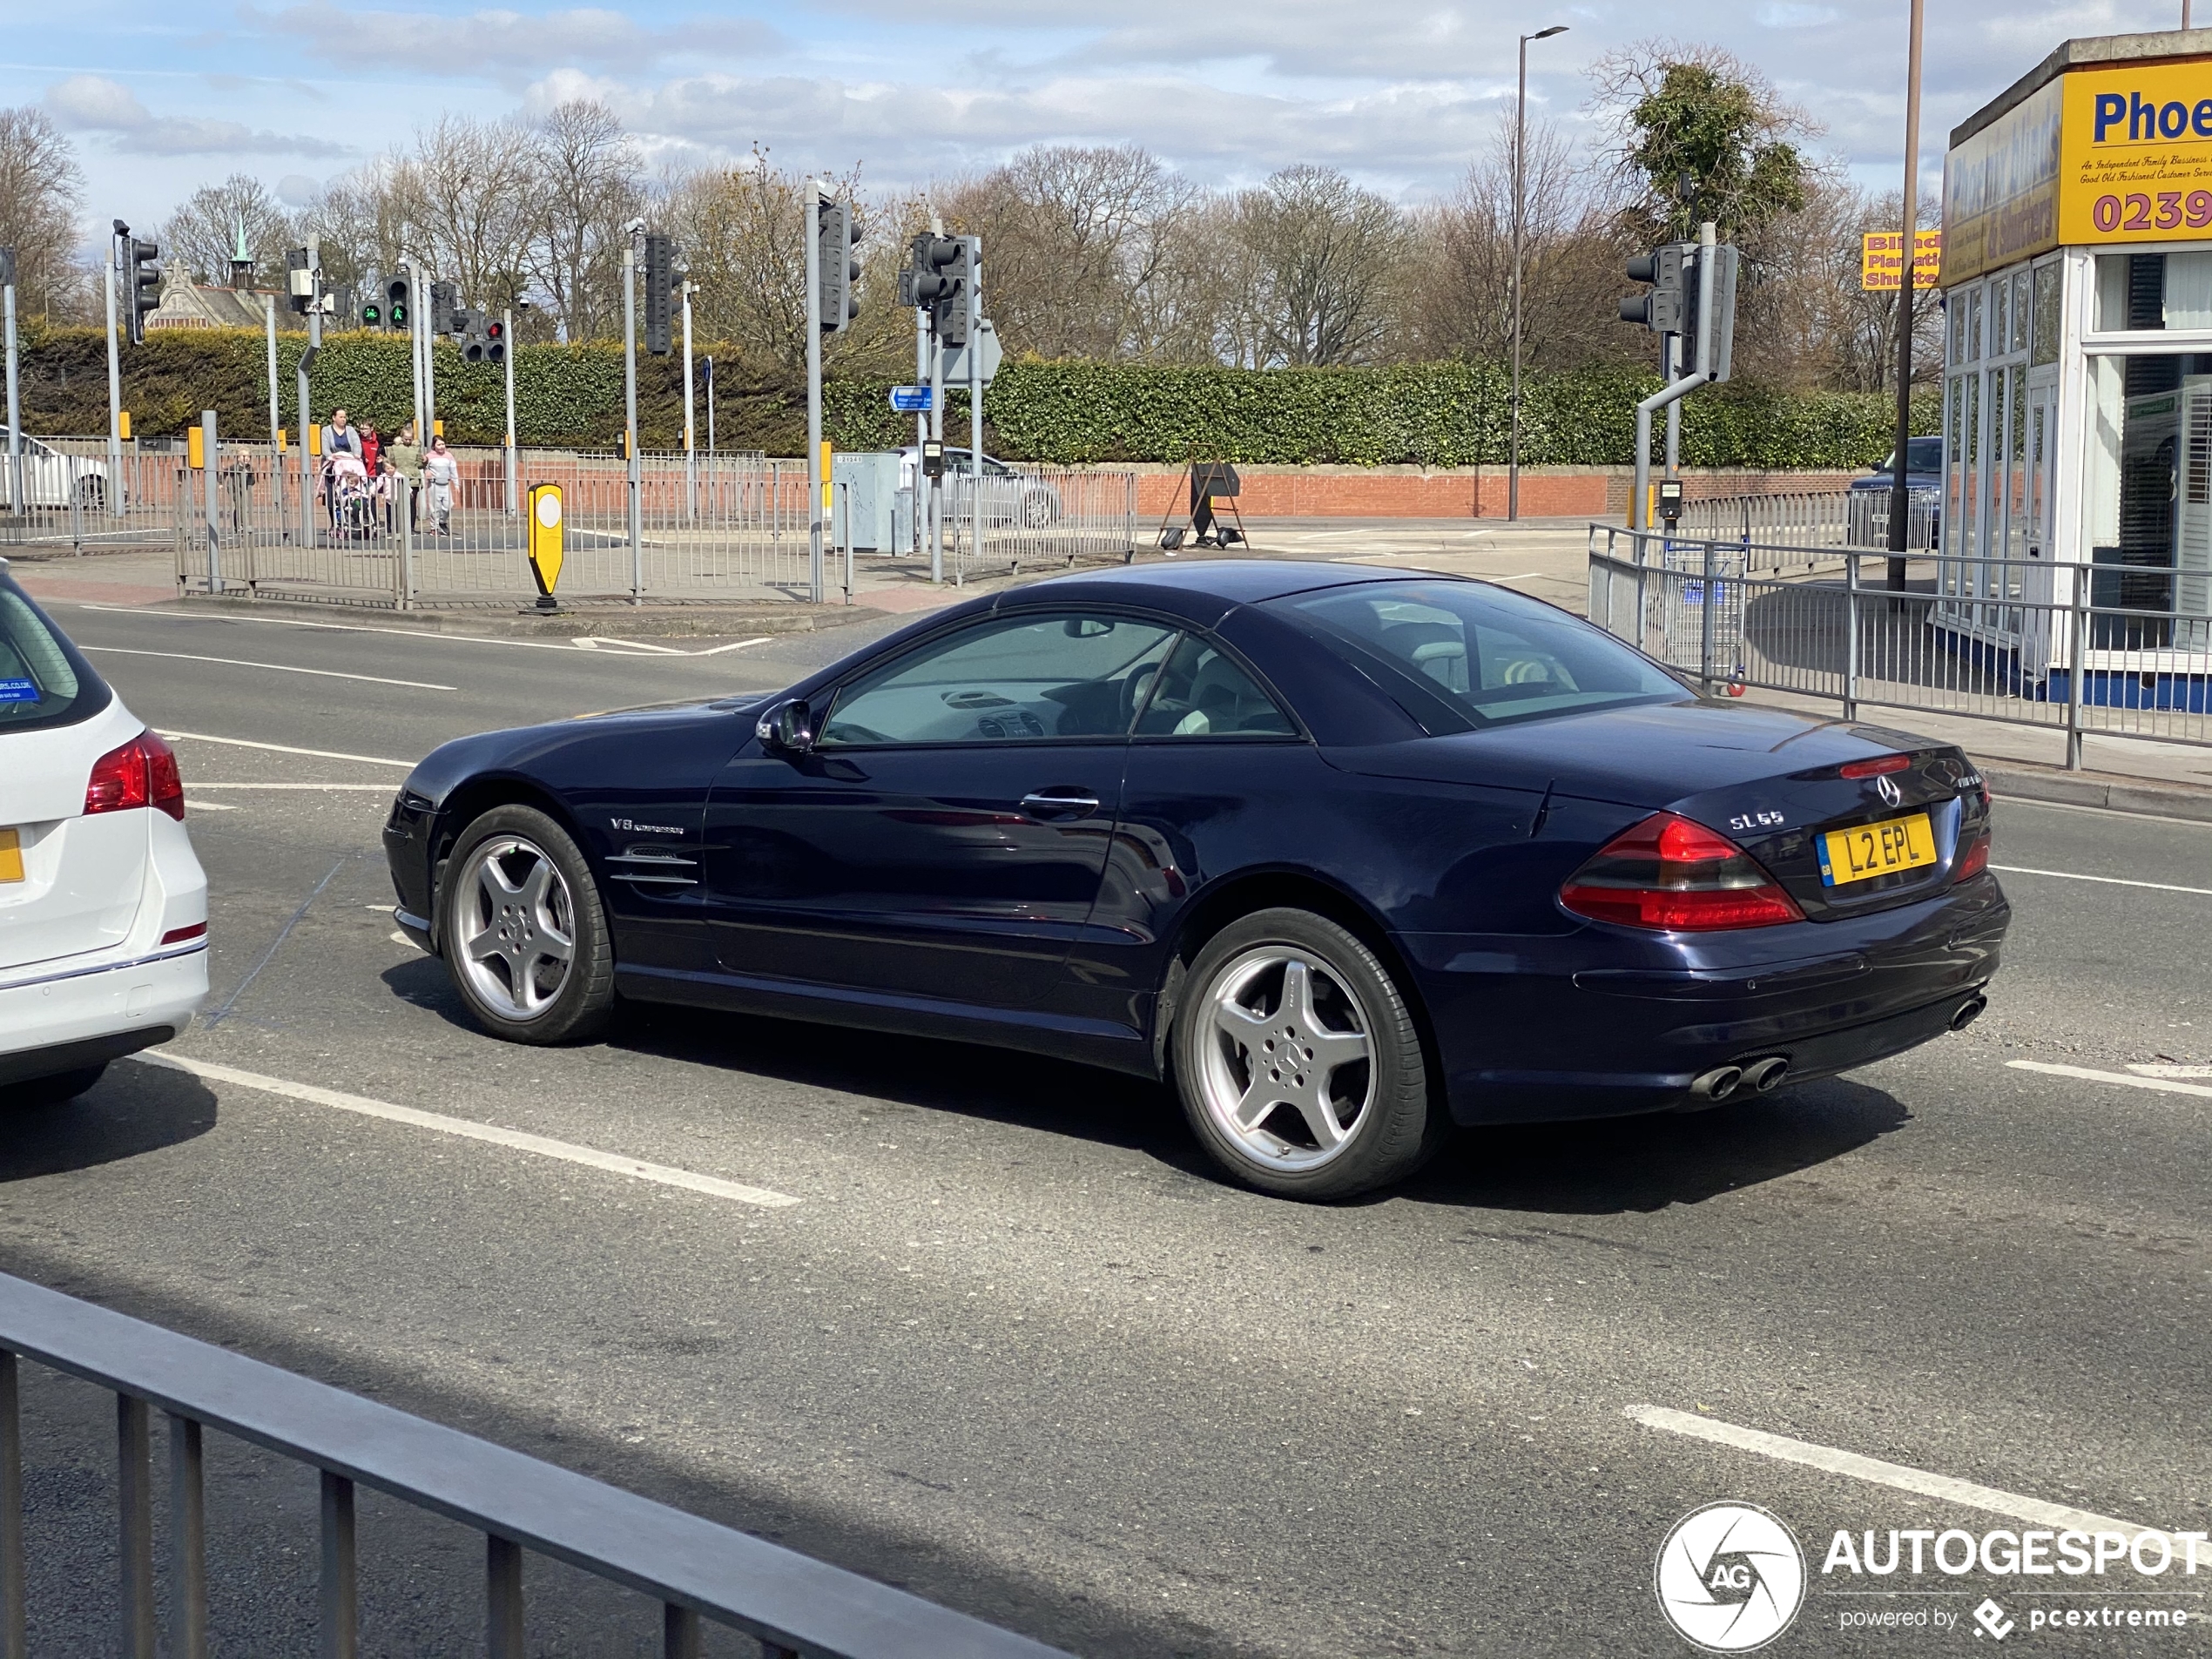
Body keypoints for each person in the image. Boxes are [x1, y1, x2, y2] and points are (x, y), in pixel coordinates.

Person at [386, 423, 423, 531]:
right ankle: (397, 527)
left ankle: (410, 527)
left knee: (412, 504)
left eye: (410, 439)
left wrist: (424, 461)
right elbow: (391, 462)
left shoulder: (416, 447)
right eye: (406, 439)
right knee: (397, 504)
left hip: (413, 479)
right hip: (399, 478)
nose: (408, 441)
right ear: (401, 437)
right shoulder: (394, 448)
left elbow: (419, 464)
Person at [422, 435, 457, 536]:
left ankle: (442, 522)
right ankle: (434, 527)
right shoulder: (429, 456)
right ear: (434, 446)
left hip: (445, 484)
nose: (441, 447)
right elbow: (424, 467)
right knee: (435, 507)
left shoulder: (449, 456)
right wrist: (427, 471)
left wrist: (456, 484)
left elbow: (453, 470)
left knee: (448, 505)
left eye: (443, 444)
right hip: (433, 485)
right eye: (439, 445)